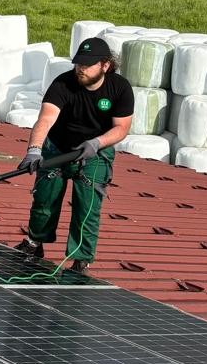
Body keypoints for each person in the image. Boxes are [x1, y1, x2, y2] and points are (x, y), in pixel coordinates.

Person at [15, 35, 134, 273]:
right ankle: (34, 243)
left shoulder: (120, 88)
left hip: (95, 151)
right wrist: (34, 150)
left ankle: (81, 258)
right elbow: (46, 118)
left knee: (86, 206)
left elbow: (121, 128)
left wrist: (96, 143)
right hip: (58, 147)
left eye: (87, 65)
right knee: (45, 199)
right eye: (78, 63)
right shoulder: (63, 83)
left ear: (105, 65)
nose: (81, 68)